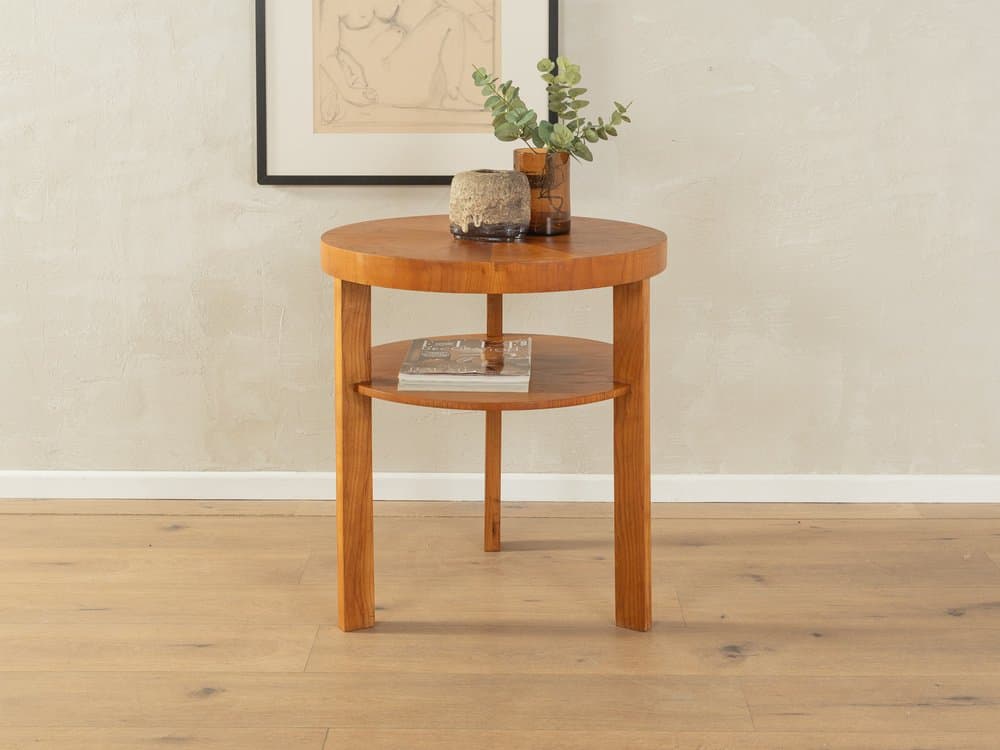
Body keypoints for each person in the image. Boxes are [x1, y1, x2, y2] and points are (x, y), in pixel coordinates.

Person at [317, 0, 494, 124]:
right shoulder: (334, 3)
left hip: (407, 77)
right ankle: (452, 96)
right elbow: (325, 54)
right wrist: (348, 91)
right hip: (377, 85)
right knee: (450, 16)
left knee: (450, 15)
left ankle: (453, 94)